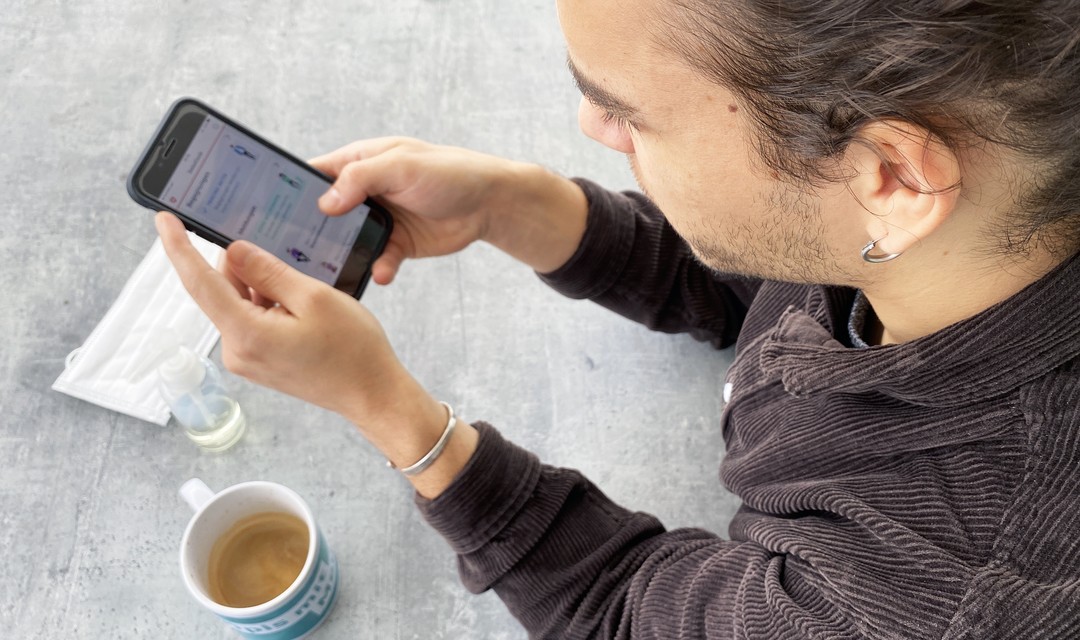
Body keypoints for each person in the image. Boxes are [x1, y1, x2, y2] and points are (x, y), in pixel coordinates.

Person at [156, 0, 1080, 637]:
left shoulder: (932, 594)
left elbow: (623, 612)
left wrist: (393, 414)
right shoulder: (964, 222)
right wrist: (511, 206)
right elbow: (782, 262)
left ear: (893, 177)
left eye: (629, 113)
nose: (593, 126)